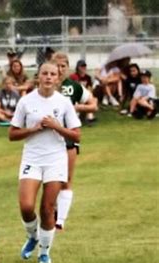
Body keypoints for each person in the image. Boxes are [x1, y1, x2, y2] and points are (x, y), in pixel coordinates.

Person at [9, 62, 81, 263]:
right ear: (38, 76)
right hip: (32, 158)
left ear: (58, 78)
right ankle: (32, 236)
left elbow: (77, 135)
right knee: (26, 205)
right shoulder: (26, 101)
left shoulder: (64, 102)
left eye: (53, 74)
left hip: (56, 159)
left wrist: (57, 126)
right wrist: (33, 129)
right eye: (45, 73)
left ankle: (44, 251)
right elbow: (12, 134)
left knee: (47, 208)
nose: (48, 77)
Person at [53, 52, 98, 230]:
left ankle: (60, 220)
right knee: (50, 179)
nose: (59, 69)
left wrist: (79, 106)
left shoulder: (73, 87)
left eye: (63, 66)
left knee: (66, 179)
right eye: (57, 65)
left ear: (67, 67)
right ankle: (53, 208)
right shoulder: (45, 86)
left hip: (69, 137)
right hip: (48, 138)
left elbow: (93, 104)